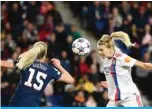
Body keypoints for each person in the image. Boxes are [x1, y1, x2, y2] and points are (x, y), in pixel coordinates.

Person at [1, 41, 74, 107]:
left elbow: (2, 63)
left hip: (17, 103)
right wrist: (59, 66)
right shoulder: (50, 69)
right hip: (33, 105)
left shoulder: (26, 63)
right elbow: (70, 80)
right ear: (45, 54)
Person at [97, 31, 152, 107]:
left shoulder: (121, 58)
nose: (100, 52)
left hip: (129, 97)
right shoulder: (106, 61)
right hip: (115, 98)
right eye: (99, 50)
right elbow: (116, 77)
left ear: (109, 48)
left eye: (102, 50)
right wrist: (110, 84)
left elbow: (143, 65)